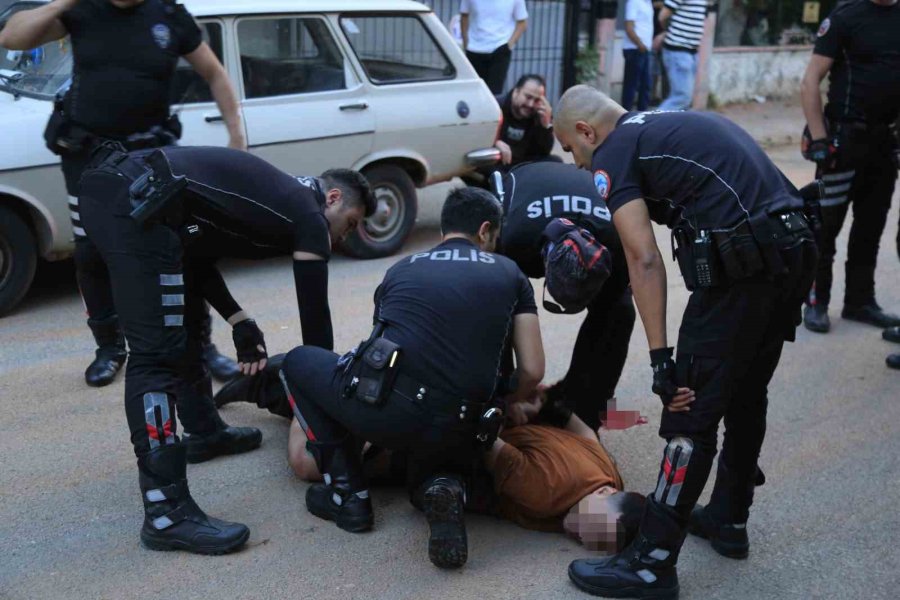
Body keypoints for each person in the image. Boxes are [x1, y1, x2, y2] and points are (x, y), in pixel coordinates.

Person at [554, 86, 817, 599]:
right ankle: (728, 518)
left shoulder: (613, 151)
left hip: (743, 269)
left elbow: (643, 258)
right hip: (793, 250)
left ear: (586, 131)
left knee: (688, 409)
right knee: (744, 390)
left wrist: (660, 360)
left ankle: (650, 564)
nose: (578, 163)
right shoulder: (663, 124)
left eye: (571, 149)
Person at [75, 144, 373, 554]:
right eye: (351, 222)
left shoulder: (271, 194)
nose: (344, 236)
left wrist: (238, 319)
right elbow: (315, 326)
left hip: (117, 187)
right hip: (136, 201)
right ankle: (166, 514)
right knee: (155, 356)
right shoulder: (309, 217)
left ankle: (205, 433)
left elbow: (193, 257)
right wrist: (318, 405)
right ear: (333, 198)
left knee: (188, 320)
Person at [278, 187, 545, 568]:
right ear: (485, 230)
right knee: (439, 446)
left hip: (392, 416)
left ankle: (348, 495)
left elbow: (378, 353)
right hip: (467, 426)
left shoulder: (401, 269)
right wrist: (506, 400)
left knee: (297, 361)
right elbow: (532, 369)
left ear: (444, 230)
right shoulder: (510, 273)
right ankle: (446, 486)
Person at [0, 0, 245, 387]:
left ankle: (200, 346)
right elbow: (11, 37)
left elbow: (215, 73)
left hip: (150, 152)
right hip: (88, 155)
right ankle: (109, 348)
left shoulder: (168, 15)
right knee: (91, 253)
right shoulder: (82, 10)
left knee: (178, 248)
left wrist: (237, 138)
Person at [215, 357, 648, 553]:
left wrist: (540, 403)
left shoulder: (609, 476)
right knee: (307, 463)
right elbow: (483, 442)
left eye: (596, 546)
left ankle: (289, 383)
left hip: (484, 421)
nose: (584, 540)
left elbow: (582, 430)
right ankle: (297, 388)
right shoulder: (546, 494)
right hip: (447, 438)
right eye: (596, 533)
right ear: (607, 500)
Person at [492, 160, 635, 429]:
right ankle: (499, 402)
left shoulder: (619, 245)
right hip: (527, 186)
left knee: (620, 312)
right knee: (496, 308)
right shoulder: (512, 239)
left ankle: (582, 407)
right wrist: (512, 393)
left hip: (593, 224)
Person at [798, 0, 900, 334]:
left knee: (871, 226)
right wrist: (818, 138)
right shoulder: (845, 16)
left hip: (885, 142)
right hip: (842, 142)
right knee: (825, 226)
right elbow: (810, 80)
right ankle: (816, 301)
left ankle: (859, 302)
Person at [460, 0, 528, 94]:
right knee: (474, 91)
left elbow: (522, 22)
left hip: (500, 48)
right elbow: (464, 16)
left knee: (494, 93)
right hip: (474, 49)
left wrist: (509, 45)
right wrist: (466, 42)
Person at [495, 74, 555, 167]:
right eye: (528, 97)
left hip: (523, 165)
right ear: (516, 91)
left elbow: (544, 152)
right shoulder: (495, 107)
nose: (531, 104)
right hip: (498, 161)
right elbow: (478, 137)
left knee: (555, 161)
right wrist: (494, 143)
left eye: (536, 100)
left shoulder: (539, 114)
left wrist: (546, 126)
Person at [656, 0, 707, 111]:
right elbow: (663, 16)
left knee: (684, 101)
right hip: (678, 49)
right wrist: (669, 32)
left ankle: (658, 120)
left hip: (690, 51)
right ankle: (652, 120)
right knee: (681, 98)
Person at [622, 0, 654, 111]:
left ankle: (642, 114)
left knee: (645, 86)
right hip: (634, 49)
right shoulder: (634, 2)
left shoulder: (648, 3)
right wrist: (639, 44)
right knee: (631, 86)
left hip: (645, 49)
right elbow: (629, 27)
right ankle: (625, 113)